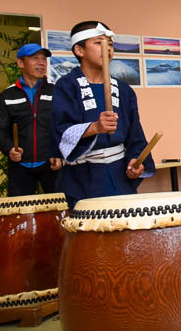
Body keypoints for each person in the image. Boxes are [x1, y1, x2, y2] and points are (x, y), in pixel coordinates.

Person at [50, 22, 155, 209]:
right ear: (79, 50)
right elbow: (60, 130)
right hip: (83, 179)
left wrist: (135, 161)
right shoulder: (66, 86)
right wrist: (95, 128)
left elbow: (135, 135)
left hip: (119, 175)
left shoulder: (124, 90)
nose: (108, 49)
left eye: (111, 44)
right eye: (99, 43)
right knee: (90, 236)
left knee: (125, 234)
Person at [0, 43, 61, 195]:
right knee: (20, 212)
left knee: (61, 210)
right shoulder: (6, 96)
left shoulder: (57, 91)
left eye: (44, 59)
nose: (41, 63)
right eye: (35, 58)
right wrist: (9, 148)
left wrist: (60, 155)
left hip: (51, 163)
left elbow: (63, 126)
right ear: (20, 63)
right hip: (19, 165)